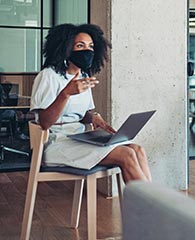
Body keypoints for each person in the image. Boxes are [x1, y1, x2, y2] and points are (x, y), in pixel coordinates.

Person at [30, 23, 151, 183]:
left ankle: (152, 200)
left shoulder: (83, 76)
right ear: (66, 48)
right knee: (126, 155)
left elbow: (82, 115)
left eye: (91, 47)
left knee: (137, 149)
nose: (87, 51)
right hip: (56, 144)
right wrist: (66, 93)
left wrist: (94, 118)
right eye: (80, 46)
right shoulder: (48, 76)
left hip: (79, 138)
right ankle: (151, 206)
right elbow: (44, 122)